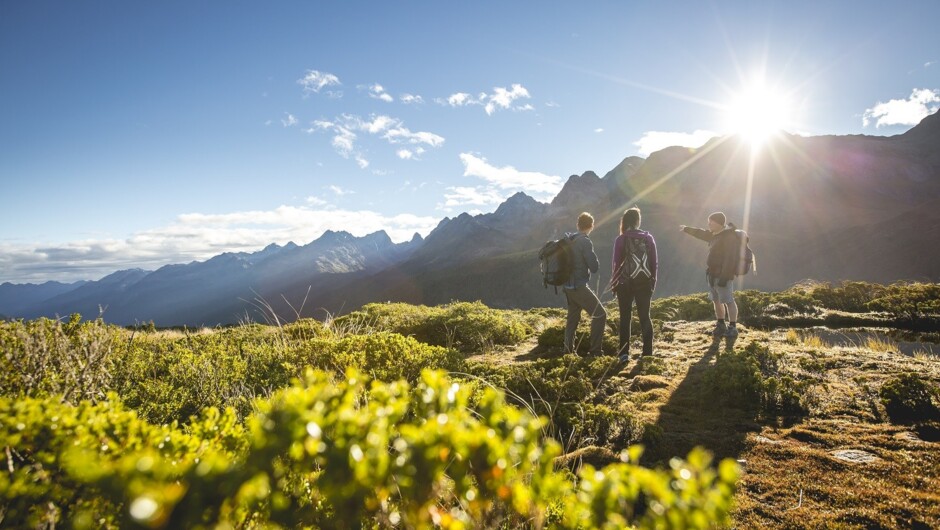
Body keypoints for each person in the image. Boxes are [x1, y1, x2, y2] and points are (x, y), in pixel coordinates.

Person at [680, 212, 740, 339]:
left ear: (719, 223)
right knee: (716, 300)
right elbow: (700, 233)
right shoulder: (714, 235)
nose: (709, 224)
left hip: (723, 275)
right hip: (712, 274)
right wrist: (686, 229)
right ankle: (721, 324)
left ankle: (733, 327)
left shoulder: (729, 237)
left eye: (711, 221)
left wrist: (725, 277)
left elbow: (731, 259)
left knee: (728, 300)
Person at [611, 207, 657, 360]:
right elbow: (654, 262)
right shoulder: (648, 238)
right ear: (638, 221)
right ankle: (648, 353)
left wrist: (614, 283)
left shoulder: (621, 239)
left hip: (624, 283)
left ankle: (624, 353)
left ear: (624, 221)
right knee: (645, 316)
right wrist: (653, 281)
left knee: (625, 317)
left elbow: (616, 264)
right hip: (644, 282)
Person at [563, 212, 607, 355]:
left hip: (567, 287)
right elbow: (594, 267)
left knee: (572, 319)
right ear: (591, 226)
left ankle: (568, 352)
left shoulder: (569, 239)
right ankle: (595, 351)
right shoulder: (584, 241)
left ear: (578, 225)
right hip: (579, 286)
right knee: (600, 314)